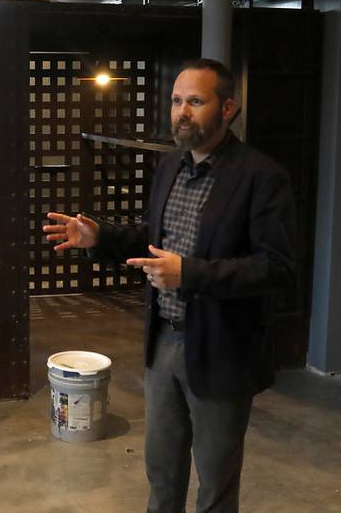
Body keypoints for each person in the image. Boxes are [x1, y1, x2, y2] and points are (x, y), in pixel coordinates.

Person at [43, 58, 296, 513]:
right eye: (177, 101)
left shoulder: (261, 177)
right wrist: (99, 236)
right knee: (162, 473)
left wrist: (191, 274)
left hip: (222, 350)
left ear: (228, 109)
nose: (182, 112)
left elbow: (276, 267)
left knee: (215, 483)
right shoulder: (171, 166)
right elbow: (152, 240)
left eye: (196, 102)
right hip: (163, 343)